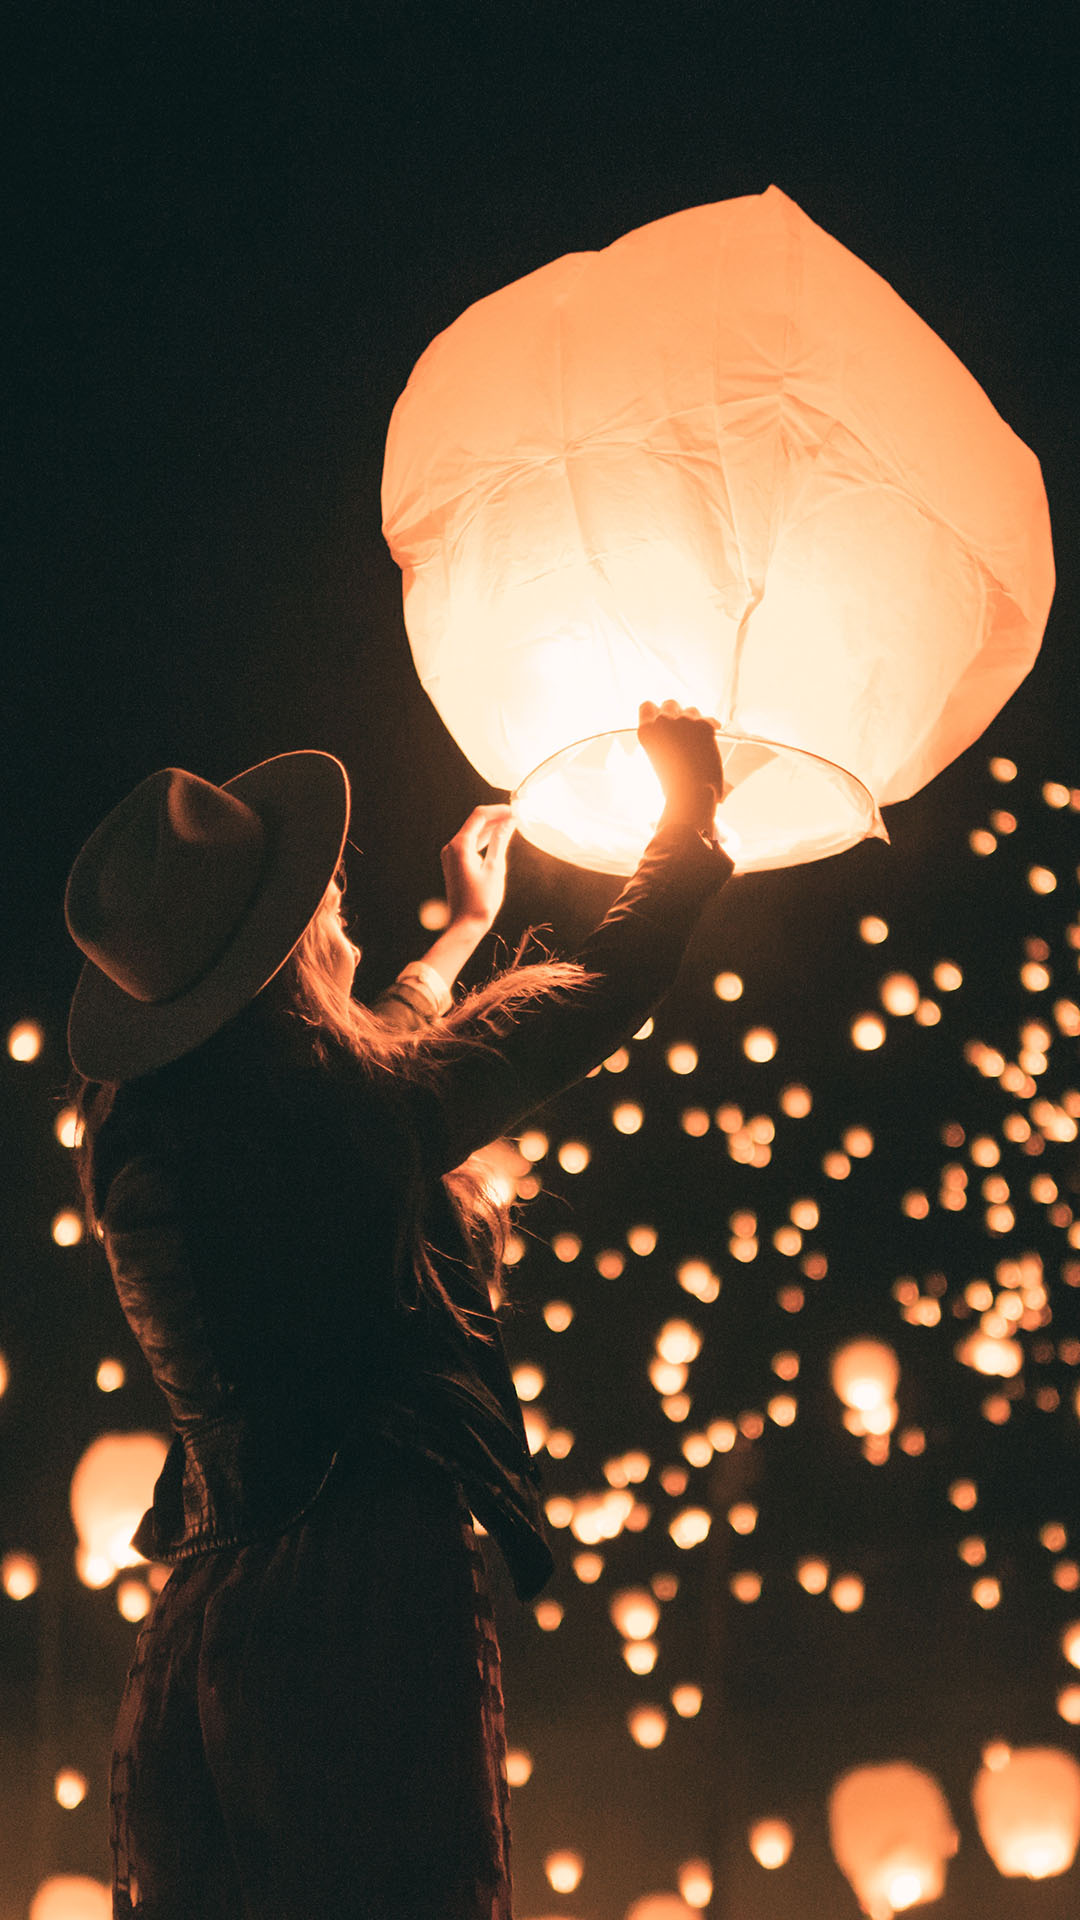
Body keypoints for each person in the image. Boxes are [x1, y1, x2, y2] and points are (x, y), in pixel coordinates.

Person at [65, 700, 732, 1919]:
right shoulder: (334, 1125)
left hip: (199, 1625)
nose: (331, 911)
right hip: (351, 1600)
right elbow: (588, 1004)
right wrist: (687, 817)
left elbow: (358, 1079)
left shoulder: (163, 1135)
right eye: (311, 907)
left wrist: (463, 935)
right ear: (279, 962)